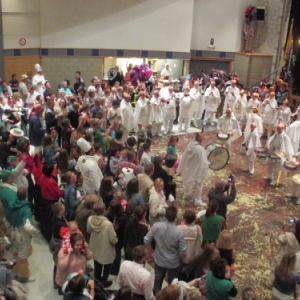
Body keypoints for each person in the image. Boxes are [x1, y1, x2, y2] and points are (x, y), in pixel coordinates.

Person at [144, 206, 187, 294]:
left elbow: (146, 240)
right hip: (173, 262)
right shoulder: (179, 232)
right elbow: (183, 251)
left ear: (165, 216)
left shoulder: (156, 226)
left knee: (157, 283)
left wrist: (151, 252)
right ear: (175, 217)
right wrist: (183, 260)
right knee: (172, 285)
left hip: (159, 259)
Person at [4, 187, 37, 282]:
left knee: (15, 252)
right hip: (23, 236)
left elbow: (5, 220)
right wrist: (34, 232)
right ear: (26, 195)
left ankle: (14, 270)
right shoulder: (26, 209)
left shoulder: (10, 205)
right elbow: (27, 226)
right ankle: (23, 276)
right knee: (23, 256)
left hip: (13, 234)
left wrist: (10, 230)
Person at [87, 201, 117, 288]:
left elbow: (88, 230)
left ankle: (97, 280)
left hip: (95, 246)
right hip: (106, 249)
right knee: (107, 267)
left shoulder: (90, 219)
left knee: (97, 265)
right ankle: (104, 282)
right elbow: (113, 239)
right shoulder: (108, 224)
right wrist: (116, 240)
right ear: (104, 210)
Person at [177, 132, 209, 206]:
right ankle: (197, 200)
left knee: (188, 180)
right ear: (201, 139)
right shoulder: (200, 148)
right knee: (199, 183)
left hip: (189, 166)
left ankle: (187, 193)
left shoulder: (191, 143)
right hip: (197, 168)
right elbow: (204, 161)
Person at [266, 220, 300, 288]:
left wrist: (283, 229)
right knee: (289, 274)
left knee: (275, 271)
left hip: (281, 259)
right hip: (294, 262)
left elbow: (280, 238)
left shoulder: (289, 236)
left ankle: (271, 284)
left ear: (296, 228)